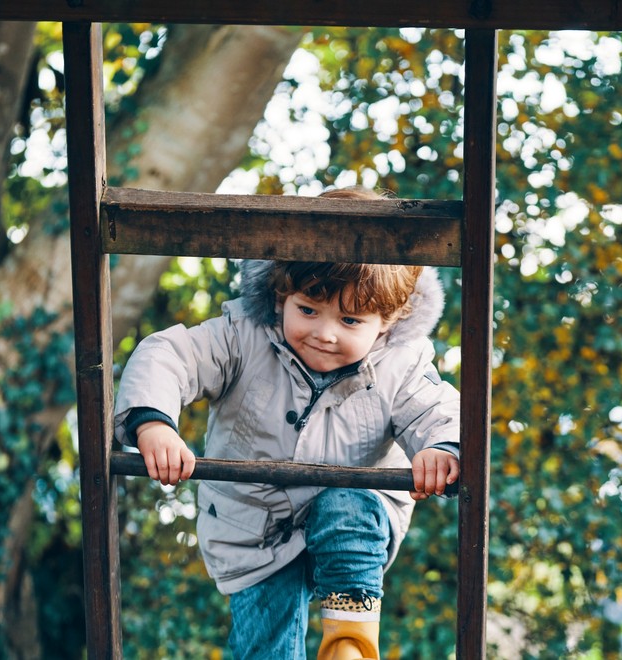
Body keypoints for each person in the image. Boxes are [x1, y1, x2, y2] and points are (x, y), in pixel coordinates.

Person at [113, 188, 461, 659]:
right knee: (266, 647)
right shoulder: (244, 335)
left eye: (351, 320)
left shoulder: (400, 364)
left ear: (388, 320)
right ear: (282, 293)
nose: (325, 332)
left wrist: (442, 448)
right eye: (308, 309)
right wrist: (154, 424)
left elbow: (437, 409)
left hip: (353, 526)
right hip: (252, 531)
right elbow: (171, 356)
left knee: (345, 503)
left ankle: (349, 644)